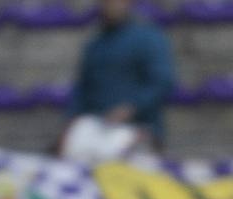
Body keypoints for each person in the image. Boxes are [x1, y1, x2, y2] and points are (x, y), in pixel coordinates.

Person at [61, 0, 175, 162]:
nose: (110, 5)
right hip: (95, 127)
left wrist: (131, 108)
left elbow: (162, 83)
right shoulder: (95, 44)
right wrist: (69, 127)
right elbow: (82, 89)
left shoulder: (149, 38)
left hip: (137, 127)